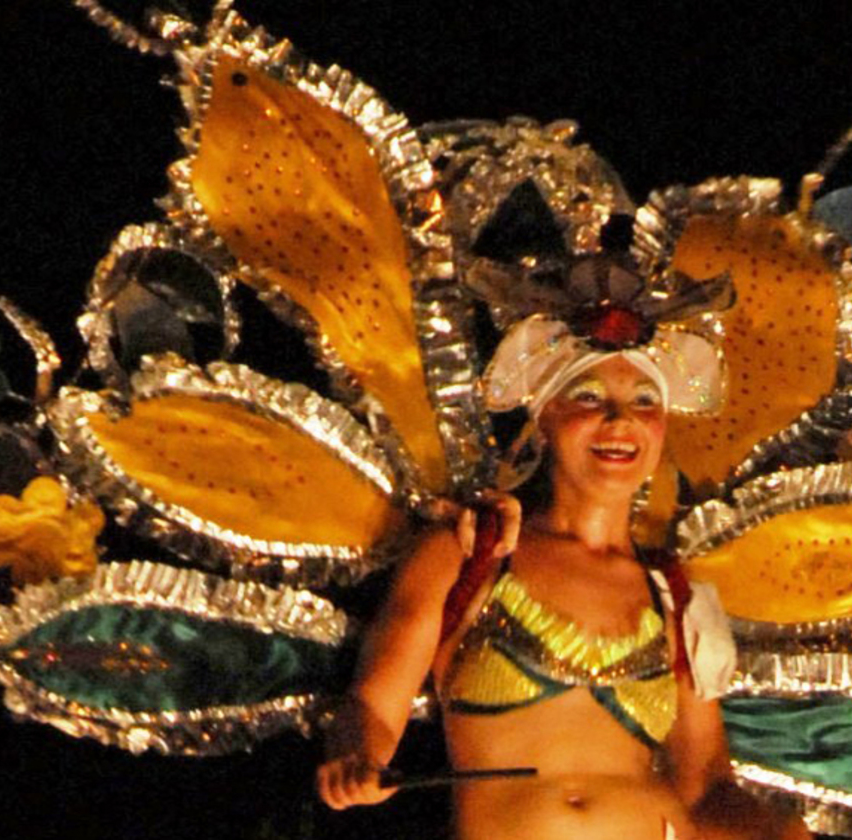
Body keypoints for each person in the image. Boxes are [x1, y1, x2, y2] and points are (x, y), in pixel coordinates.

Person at [317, 307, 808, 840]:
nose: (620, 421)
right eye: (590, 397)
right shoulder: (472, 553)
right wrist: (355, 758)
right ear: (545, 413)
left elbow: (706, 787)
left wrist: (779, 832)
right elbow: (373, 706)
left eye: (645, 401)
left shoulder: (674, 593)